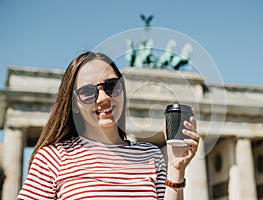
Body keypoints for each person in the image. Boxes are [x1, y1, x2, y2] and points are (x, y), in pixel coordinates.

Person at [18, 51, 199, 200]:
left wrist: (176, 169)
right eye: (88, 92)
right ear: (74, 104)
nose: (104, 98)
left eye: (111, 86)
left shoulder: (151, 155)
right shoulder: (52, 158)